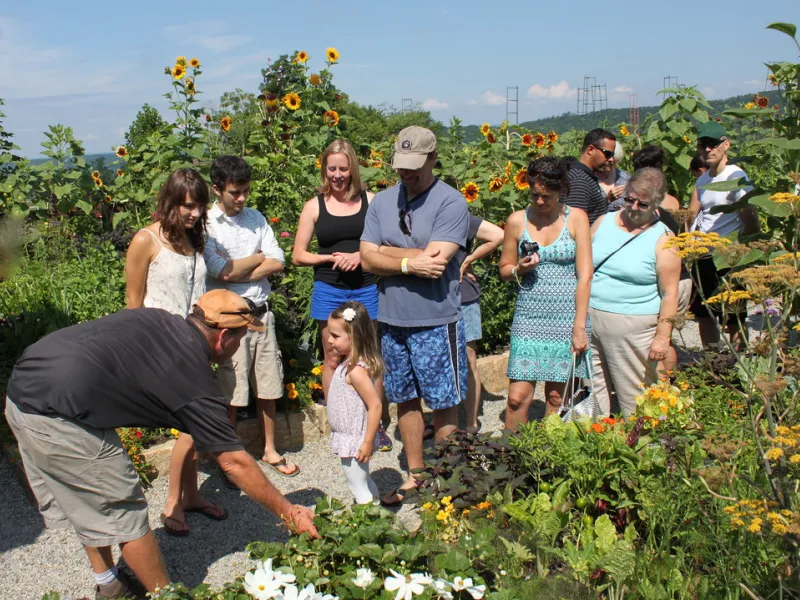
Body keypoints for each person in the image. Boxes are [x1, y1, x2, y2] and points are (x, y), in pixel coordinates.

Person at [4, 289, 319, 599]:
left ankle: (110, 584)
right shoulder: (195, 381)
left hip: (23, 391)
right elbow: (234, 462)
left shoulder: (159, 319)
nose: (239, 345)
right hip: (58, 416)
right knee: (123, 507)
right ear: (224, 337)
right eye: (240, 338)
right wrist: (288, 512)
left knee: (86, 500)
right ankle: (165, 596)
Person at [360, 126, 469, 506]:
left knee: (443, 402)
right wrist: (408, 261)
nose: (406, 175)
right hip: (392, 320)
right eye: (401, 167)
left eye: (415, 168)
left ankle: (448, 476)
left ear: (433, 159)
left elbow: (436, 262)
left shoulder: (451, 203)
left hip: (436, 319)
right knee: (404, 399)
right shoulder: (383, 201)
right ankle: (417, 475)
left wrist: (387, 255)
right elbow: (366, 256)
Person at [125, 168, 226, 537]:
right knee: (191, 425)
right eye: (187, 206)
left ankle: (193, 495)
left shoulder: (194, 240)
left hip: (195, 342)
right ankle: (173, 502)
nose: (195, 214)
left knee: (193, 427)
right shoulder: (145, 240)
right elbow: (133, 304)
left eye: (199, 206)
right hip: (158, 345)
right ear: (170, 202)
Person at [291, 139, 391, 450]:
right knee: (333, 356)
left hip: (365, 287)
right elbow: (298, 254)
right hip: (329, 289)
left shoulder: (371, 201)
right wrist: (330, 257)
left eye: (343, 169)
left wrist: (361, 257)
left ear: (353, 169)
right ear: (325, 170)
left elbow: (385, 245)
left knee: (369, 358)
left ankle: (374, 425)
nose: (337, 175)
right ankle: (340, 421)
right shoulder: (314, 206)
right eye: (331, 168)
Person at [204, 155, 299, 480]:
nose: (242, 198)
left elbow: (279, 260)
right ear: (217, 189)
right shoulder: (208, 225)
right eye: (235, 192)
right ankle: (232, 459)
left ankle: (270, 449)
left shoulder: (256, 218)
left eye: (245, 191)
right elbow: (220, 271)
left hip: (261, 314)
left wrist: (240, 266)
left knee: (268, 385)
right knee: (232, 391)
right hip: (229, 320)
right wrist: (257, 258)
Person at [499, 157, 592, 429]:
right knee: (516, 398)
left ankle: (549, 461)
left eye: (546, 196)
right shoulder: (517, 221)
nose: (539, 201)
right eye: (534, 195)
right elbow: (504, 270)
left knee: (556, 398)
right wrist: (520, 268)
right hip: (529, 317)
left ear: (561, 190)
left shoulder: (576, 218)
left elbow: (585, 275)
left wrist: (579, 326)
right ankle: (512, 459)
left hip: (567, 318)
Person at [589, 168, 681, 416]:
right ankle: (596, 445)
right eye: (629, 199)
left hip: (635, 326)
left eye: (643, 204)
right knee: (592, 394)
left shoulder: (663, 239)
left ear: (657, 205)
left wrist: (663, 337)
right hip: (591, 321)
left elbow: (670, 293)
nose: (633, 207)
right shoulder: (603, 222)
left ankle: (644, 448)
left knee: (636, 396)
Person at [688, 121, 758, 349]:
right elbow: (697, 215)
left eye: (712, 144)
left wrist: (745, 252)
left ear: (725, 144)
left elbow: (750, 216)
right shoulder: (703, 180)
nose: (707, 150)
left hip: (727, 257)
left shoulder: (736, 175)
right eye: (702, 145)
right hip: (703, 256)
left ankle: (740, 363)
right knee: (703, 311)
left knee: (734, 315)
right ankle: (713, 361)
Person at [326, 301, 383, 504]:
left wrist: (367, 442)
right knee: (363, 480)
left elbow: (375, 405)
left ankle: (370, 524)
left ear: (354, 336)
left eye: (335, 335)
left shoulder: (356, 371)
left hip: (355, 441)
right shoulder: (349, 364)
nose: (330, 340)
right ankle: (377, 510)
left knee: (357, 485)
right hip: (351, 437)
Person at [458, 215, 504, 429]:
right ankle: (446, 420)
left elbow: (498, 235)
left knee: (468, 359)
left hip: (462, 295)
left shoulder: (456, 212)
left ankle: (471, 422)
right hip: (431, 298)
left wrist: (467, 260)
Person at [563, 128, 617, 225]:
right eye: (608, 154)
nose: (612, 159)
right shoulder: (579, 181)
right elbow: (573, 224)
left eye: (613, 155)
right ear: (590, 150)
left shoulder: (585, 176)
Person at [596, 139, 630, 206]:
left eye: (613, 160)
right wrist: (608, 199)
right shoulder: (588, 178)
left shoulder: (625, 177)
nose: (610, 161)